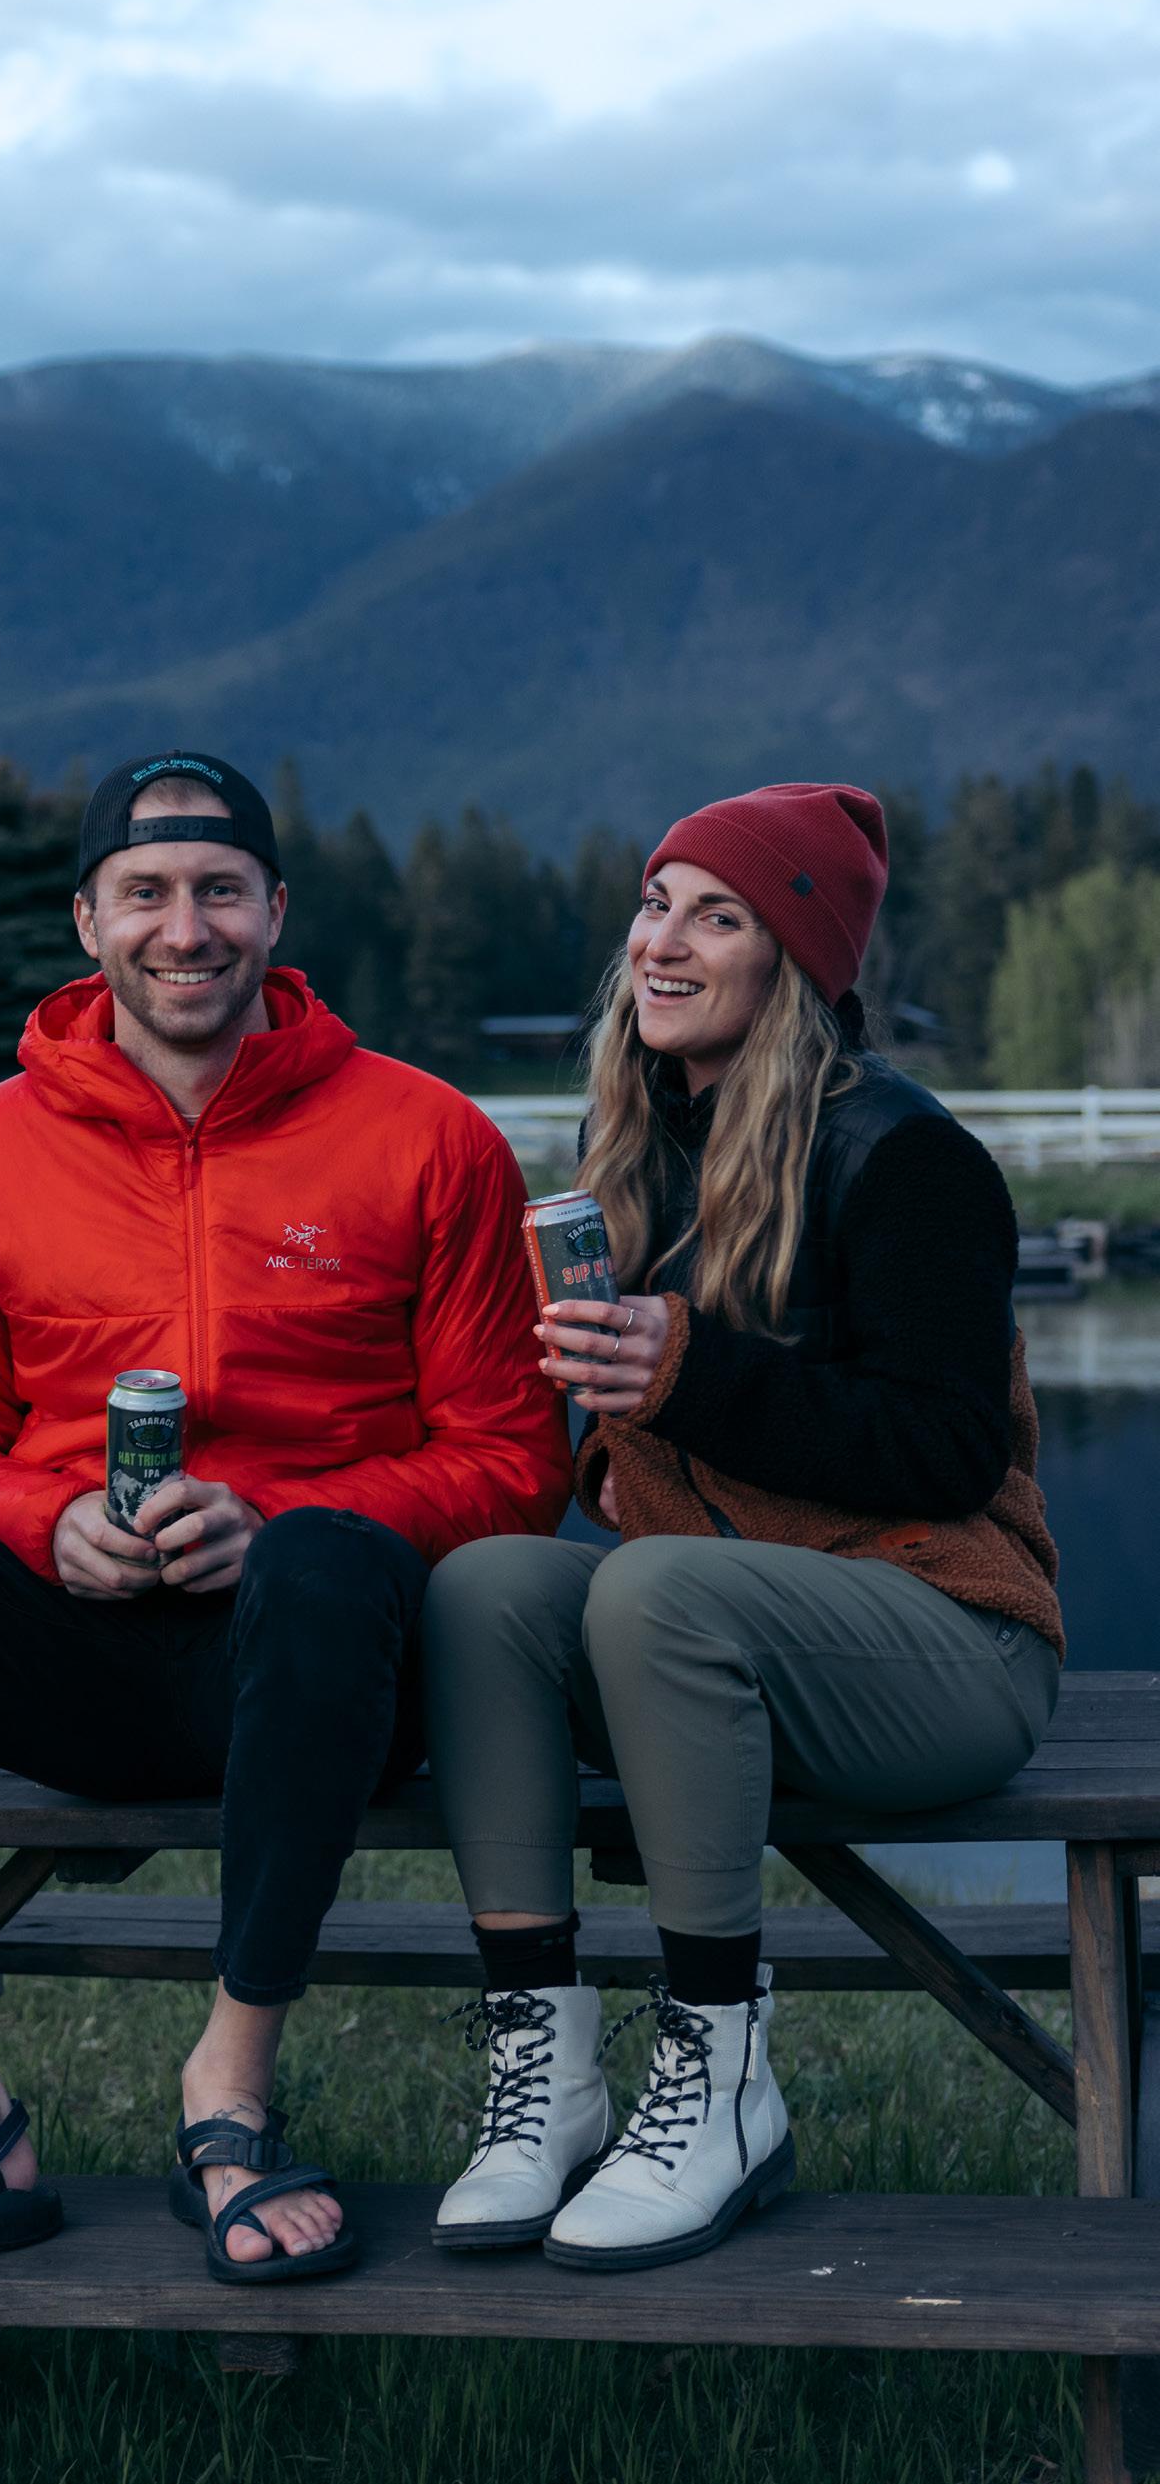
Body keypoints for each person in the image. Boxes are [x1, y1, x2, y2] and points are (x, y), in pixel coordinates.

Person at [0, 750, 571, 2302]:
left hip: (324, 1664)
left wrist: (283, 1516)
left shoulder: (429, 1137)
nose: (185, 929)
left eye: (219, 890)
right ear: (87, 920)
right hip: (70, 1658)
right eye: (146, 893)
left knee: (322, 1556)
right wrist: (41, 1518)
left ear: (276, 910)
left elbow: (515, 1462)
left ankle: (227, 2089)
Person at [423, 780, 1062, 2272]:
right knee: (486, 1588)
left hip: (950, 1641)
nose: (662, 941)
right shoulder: (645, 1142)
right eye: (656, 904)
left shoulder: (906, 1157)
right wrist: (611, 1416)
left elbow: (949, 1449)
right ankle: (546, 2070)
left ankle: (719, 2078)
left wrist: (692, 1376)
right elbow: (663, 1444)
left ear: (798, 958)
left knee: (656, 1590)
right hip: (736, 1644)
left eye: (719, 916)